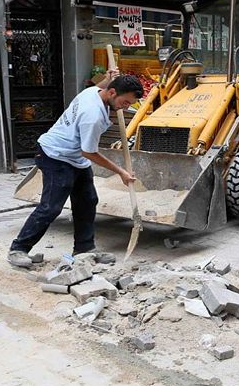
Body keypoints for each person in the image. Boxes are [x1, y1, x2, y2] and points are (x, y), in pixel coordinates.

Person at [8, 74, 144, 268]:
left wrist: (108, 77)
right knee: (51, 207)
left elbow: (101, 86)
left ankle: (84, 248)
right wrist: (120, 171)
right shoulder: (93, 116)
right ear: (112, 92)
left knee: (87, 200)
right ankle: (18, 249)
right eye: (125, 102)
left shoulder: (93, 91)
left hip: (74, 157)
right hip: (55, 156)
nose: (125, 107)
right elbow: (89, 152)